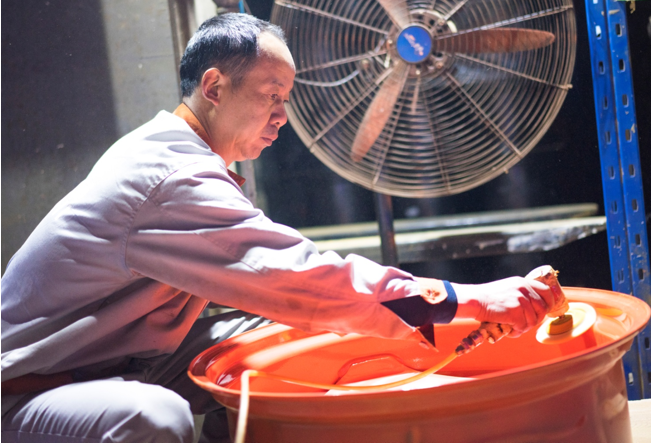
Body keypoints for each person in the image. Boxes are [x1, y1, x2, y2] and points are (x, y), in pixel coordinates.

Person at [1, 13, 559, 443]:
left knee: (282, 340)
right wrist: (468, 300)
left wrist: (442, 313)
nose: (282, 116)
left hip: (116, 361)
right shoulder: (169, 178)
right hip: (27, 390)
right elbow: (300, 280)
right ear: (214, 87)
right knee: (154, 416)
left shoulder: (184, 158)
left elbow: (297, 294)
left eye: (286, 99)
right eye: (271, 96)